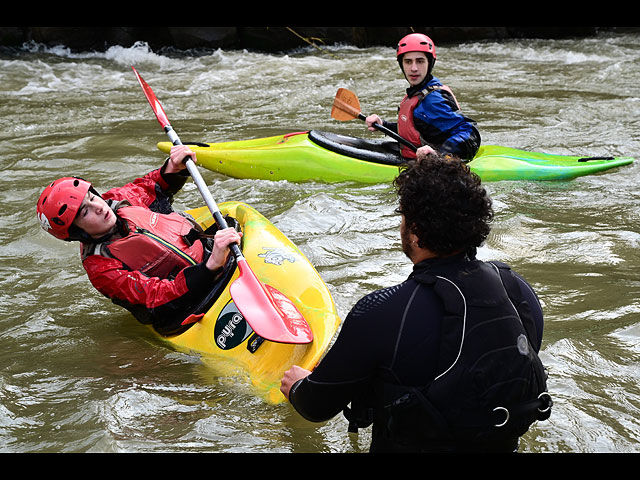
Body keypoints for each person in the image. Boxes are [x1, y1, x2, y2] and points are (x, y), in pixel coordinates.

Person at [281, 153, 551, 453]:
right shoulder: (518, 291)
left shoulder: (379, 312)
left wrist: (298, 385)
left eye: (403, 217)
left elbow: (316, 407)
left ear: (417, 233)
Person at [36, 145, 242, 336]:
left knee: (230, 220)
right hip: (189, 303)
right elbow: (158, 296)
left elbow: (150, 187)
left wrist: (173, 167)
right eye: (84, 212)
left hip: (212, 256)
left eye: (92, 197)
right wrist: (211, 266)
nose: (98, 207)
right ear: (76, 232)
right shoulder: (101, 268)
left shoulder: (117, 201)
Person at [365, 32, 481, 162]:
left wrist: (441, 154)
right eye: (408, 62)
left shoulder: (433, 100)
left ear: (429, 63)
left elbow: (470, 132)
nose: (414, 68)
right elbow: (421, 129)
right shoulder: (418, 93)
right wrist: (383, 125)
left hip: (440, 169)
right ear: (401, 65)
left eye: (420, 61)